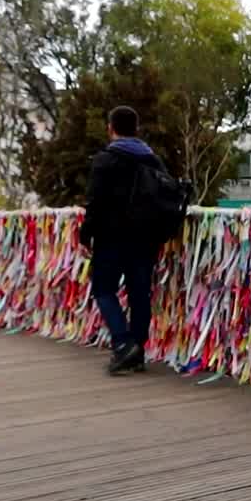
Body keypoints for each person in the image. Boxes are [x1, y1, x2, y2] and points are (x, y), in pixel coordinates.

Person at [79, 106, 165, 375]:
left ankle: (123, 343)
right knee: (140, 293)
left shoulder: (106, 160)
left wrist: (85, 234)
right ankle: (137, 352)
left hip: (111, 236)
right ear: (136, 129)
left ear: (110, 128)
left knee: (104, 289)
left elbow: (95, 201)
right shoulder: (152, 160)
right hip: (146, 237)